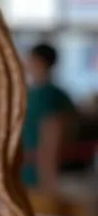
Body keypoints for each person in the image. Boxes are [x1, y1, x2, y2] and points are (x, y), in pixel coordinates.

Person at [22, 42, 77, 193]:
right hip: (25, 172)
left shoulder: (50, 97)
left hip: (40, 176)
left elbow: (52, 140)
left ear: (39, 61)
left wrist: (48, 180)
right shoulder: (30, 94)